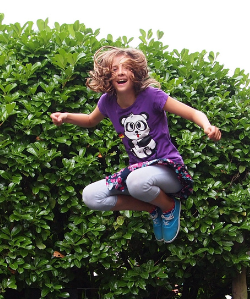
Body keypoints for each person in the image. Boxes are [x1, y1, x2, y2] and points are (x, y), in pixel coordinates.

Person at [50, 46, 221, 244]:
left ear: (135, 72)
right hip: (138, 173)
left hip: (168, 171)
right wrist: (66, 117)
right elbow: (90, 120)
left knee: (135, 180)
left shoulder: (152, 96)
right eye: (114, 69)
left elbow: (193, 113)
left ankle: (168, 206)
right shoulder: (107, 102)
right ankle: (152, 207)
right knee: (91, 196)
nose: (120, 72)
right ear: (107, 76)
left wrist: (207, 126)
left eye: (126, 68)